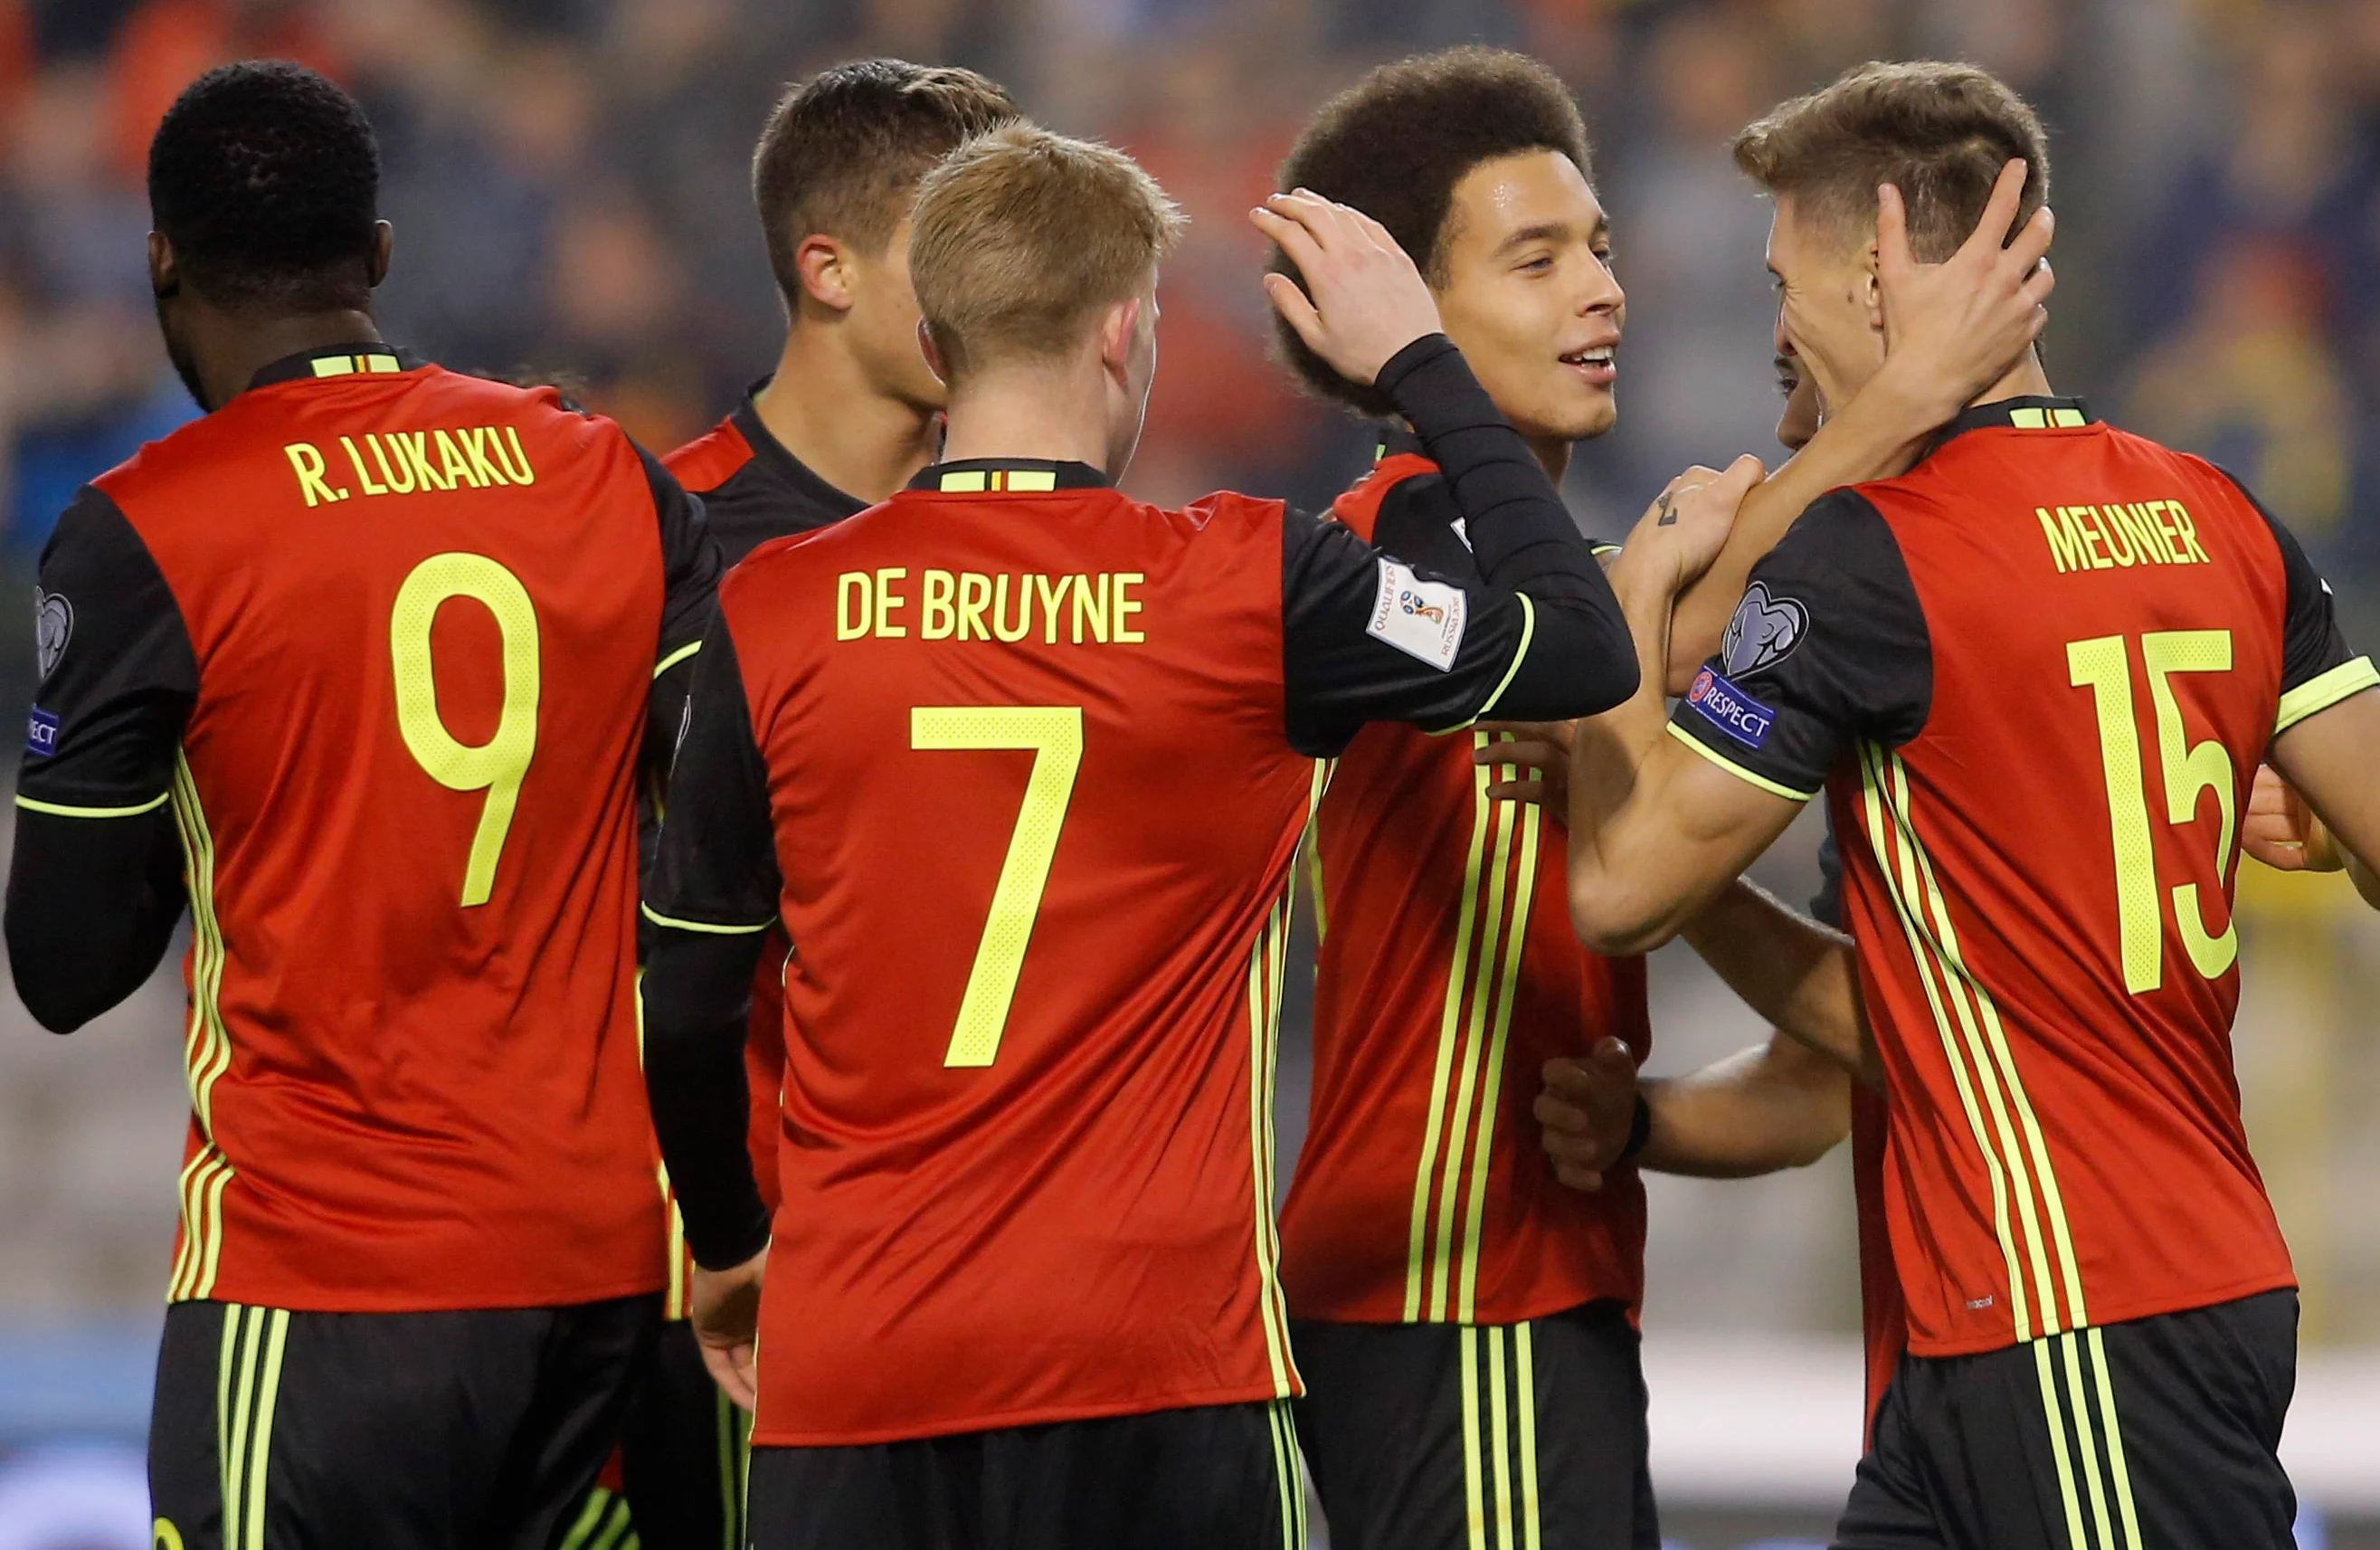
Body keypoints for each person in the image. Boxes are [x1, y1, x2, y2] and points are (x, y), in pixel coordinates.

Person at [638, 123, 1650, 1549]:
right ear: (1125, 329)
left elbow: (683, 1002)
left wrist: (734, 1242)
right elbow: (1578, 648)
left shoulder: (778, 609)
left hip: (861, 1365)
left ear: (932, 337)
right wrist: (1423, 367)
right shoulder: (1250, 586)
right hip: (1160, 1369)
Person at [1562, 61, 2380, 1550]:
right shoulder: (2219, 509)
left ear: (1880, 280)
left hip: (2073, 1305)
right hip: (2058, 1306)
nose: (1774, 320)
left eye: (1784, 276)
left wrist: (1640, 611)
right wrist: (2318, 836)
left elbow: (1618, 888)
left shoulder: (1877, 562)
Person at [1264, 48, 2046, 1550]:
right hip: (1451, 1303)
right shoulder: (1401, 551)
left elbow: (1668, 630)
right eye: (1537, 258)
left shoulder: (1551, 570)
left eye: (1605, 250)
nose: (1604, 293)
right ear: (1404, 319)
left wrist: (1641, 1129)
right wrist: (1912, 397)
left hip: (1539, 1299)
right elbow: (1617, 646)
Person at [2, 61, 716, 1547]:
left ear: (161, 263)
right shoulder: (601, 471)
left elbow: (65, 966)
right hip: (605, 1284)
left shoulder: (149, 529)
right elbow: (721, 824)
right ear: (379, 258)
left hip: (325, 1285)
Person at [617, 60, 1018, 1550]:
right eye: (955, 245)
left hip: (987, 1261)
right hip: (738, 1271)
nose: (997, 289)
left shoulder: (1033, 545)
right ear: (826, 268)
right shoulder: (665, 534)